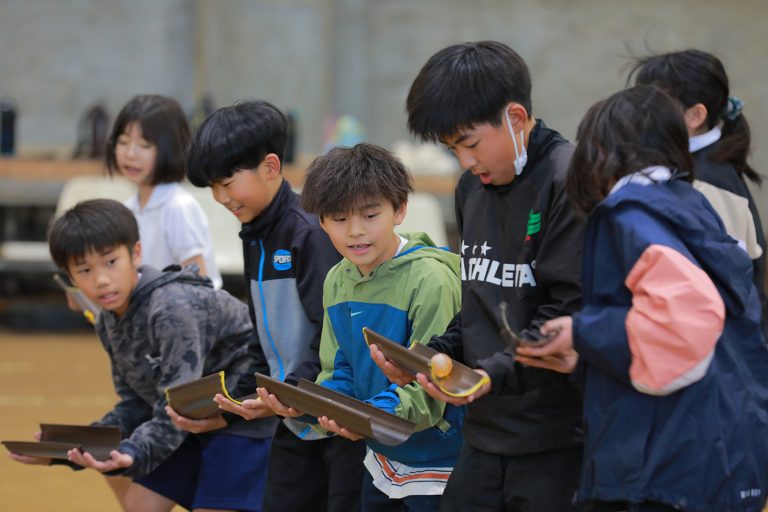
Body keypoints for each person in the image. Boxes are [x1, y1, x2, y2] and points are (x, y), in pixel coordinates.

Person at [517, 85, 768, 511]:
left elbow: (688, 322)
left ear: (601, 152)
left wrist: (582, 330)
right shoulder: (686, 203)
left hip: (669, 461)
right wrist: (585, 353)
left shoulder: (633, 217)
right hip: (720, 445)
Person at [370, 40, 585, 511]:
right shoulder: (472, 187)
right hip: (484, 432)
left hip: (554, 437)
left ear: (515, 118)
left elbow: (568, 312)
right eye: (452, 149)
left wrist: (489, 375)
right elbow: (479, 305)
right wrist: (425, 359)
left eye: (469, 144)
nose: (465, 162)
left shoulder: (568, 180)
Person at [10, 198, 273, 512]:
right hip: (192, 419)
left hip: (244, 417)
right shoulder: (108, 320)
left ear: (135, 253)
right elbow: (135, 402)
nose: (101, 279)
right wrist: (62, 449)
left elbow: (177, 402)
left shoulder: (170, 308)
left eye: (110, 262)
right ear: (70, 278)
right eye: (84, 269)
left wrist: (135, 451)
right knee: (140, 504)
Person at [185, 99, 366, 512]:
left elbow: (334, 333)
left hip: (336, 424)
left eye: (227, 183)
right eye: (212, 187)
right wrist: (228, 402)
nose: (220, 197)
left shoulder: (308, 232)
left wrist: (290, 391)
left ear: (270, 166)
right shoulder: (256, 235)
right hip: (292, 420)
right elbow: (264, 341)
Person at [264, 142, 462, 512]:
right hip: (380, 455)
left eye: (370, 216)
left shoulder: (431, 279)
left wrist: (367, 416)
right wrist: (311, 405)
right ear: (321, 222)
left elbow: (433, 387)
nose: (355, 232)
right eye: (339, 220)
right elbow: (340, 369)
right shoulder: (338, 279)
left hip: (440, 461)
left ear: (399, 210)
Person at [628, 49, 767, 337]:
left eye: (654, 106)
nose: (638, 116)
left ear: (695, 115)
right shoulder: (685, 167)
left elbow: (724, 290)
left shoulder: (706, 184)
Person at [106, 94, 222, 288]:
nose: (130, 154)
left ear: (171, 149)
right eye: (124, 142)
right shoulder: (128, 208)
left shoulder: (177, 207)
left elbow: (199, 283)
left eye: (144, 145)